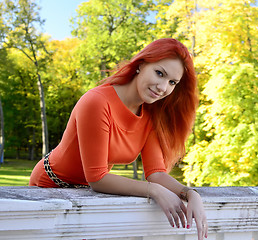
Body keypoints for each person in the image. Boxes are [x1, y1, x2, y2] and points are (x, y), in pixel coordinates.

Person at [29, 38, 208, 239]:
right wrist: (154, 191)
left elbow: (156, 172)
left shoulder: (150, 115)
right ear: (141, 64)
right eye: (160, 73)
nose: (163, 87)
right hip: (51, 187)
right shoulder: (97, 102)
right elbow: (97, 178)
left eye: (172, 82)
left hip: (90, 195)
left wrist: (190, 194)